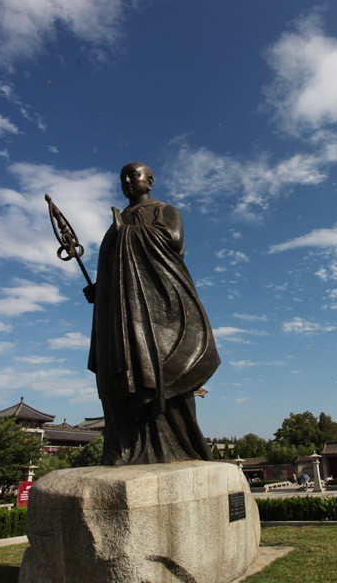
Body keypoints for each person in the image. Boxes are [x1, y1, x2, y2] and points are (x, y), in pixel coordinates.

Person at [84, 162, 220, 465]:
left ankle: (180, 448)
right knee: (121, 375)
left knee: (164, 374)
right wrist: (101, 289)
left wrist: (126, 234)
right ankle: (126, 449)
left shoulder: (164, 210)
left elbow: (172, 240)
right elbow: (115, 269)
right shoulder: (117, 223)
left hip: (158, 310)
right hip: (123, 315)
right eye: (122, 177)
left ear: (150, 180)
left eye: (133, 175)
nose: (127, 181)